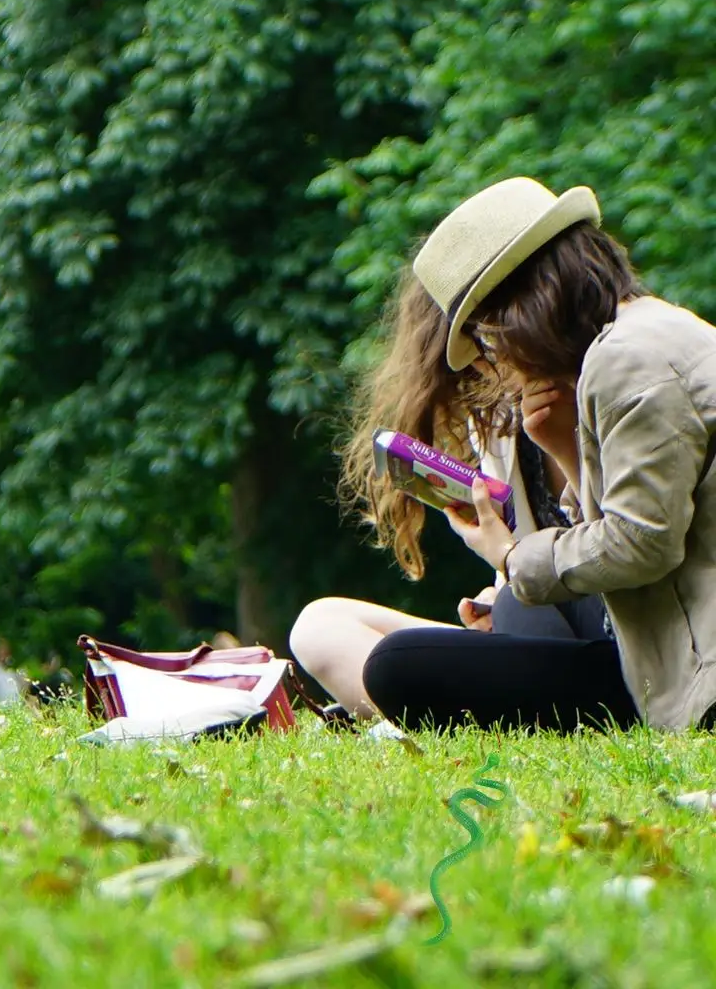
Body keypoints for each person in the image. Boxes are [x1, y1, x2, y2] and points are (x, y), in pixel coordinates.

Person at [341, 175, 716, 731]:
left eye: (489, 338)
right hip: (668, 647)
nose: (499, 363)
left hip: (699, 675)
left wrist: (512, 557)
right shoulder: (646, 334)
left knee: (399, 665)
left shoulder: (627, 360)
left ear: (528, 303)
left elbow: (642, 546)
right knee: (506, 612)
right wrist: (561, 444)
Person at [290, 275, 612, 721]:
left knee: (398, 662)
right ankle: (432, 717)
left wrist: (563, 449)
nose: (486, 374)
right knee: (319, 625)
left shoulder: (608, 386)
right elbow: (527, 577)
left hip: (618, 651)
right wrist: (501, 590)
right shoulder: (502, 428)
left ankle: (422, 720)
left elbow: (622, 552)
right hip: (549, 644)